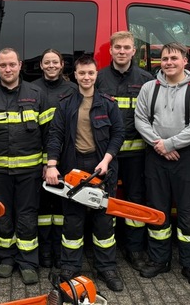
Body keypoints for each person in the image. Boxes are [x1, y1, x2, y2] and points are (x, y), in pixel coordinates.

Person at [0, 48, 53, 285]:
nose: (7, 69)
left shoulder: (37, 94)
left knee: (27, 217)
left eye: (12, 65)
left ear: (20, 65)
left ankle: (28, 262)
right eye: (3, 65)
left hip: (30, 172)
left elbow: (50, 134)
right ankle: (6, 258)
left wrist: (49, 163)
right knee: (2, 215)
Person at [134, 42, 190, 288]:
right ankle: (159, 260)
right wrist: (160, 145)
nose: (168, 62)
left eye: (173, 58)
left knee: (189, 213)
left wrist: (171, 144)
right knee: (158, 211)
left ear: (185, 61)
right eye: (164, 58)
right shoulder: (149, 88)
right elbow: (140, 119)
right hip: (156, 156)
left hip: (187, 157)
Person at [45, 55, 125, 292]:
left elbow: (119, 134)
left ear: (96, 74)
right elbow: (55, 134)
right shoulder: (66, 103)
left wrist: (106, 160)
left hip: (101, 166)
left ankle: (107, 268)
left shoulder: (108, 103)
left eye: (90, 73)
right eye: (82, 73)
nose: (86, 77)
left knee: (103, 222)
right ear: (75, 75)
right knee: (72, 220)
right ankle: (70, 267)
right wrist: (51, 165)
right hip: (73, 166)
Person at [95, 31, 153, 271]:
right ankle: (107, 250)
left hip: (136, 154)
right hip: (108, 154)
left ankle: (134, 248)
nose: (121, 51)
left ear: (133, 51)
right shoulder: (98, 79)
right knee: (104, 201)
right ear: (110, 51)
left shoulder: (146, 79)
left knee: (134, 201)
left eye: (126, 47)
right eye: (117, 47)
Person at [31, 49, 77, 269]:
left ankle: (59, 253)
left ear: (62, 65)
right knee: (41, 208)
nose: (50, 66)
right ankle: (44, 252)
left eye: (55, 62)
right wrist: (44, 161)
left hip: (65, 160)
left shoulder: (72, 90)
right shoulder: (33, 89)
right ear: (41, 65)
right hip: (40, 159)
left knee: (61, 209)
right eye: (46, 62)